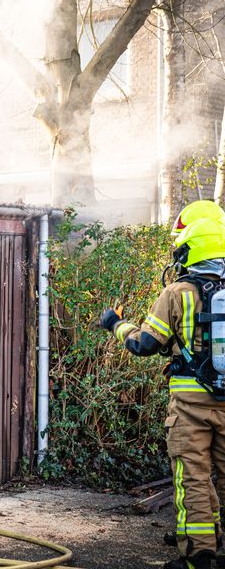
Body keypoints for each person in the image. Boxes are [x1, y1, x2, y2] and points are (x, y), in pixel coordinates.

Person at [100, 203, 225, 569]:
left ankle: (199, 557)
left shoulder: (177, 293)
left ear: (191, 250)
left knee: (194, 478)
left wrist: (114, 324)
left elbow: (145, 344)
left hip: (190, 405)